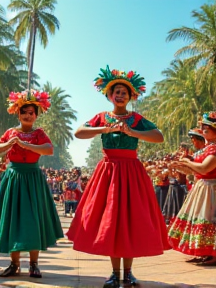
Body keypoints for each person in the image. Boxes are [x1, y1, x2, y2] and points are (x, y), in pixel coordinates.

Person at [66, 65, 171, 287]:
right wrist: (103, 129)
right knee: (112, 221)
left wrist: (132, 132)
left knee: (130, 220)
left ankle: (129, 272)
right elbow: (78, 132)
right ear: (109, 95)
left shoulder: (136, 119)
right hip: (109, 172)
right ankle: (114, 272)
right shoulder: (102, 117)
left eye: (125, 92)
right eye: (117, 92)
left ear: (131, 96)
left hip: (132, 172)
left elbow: (158, 136)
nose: (120, 95)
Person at [0, 89, 63, 278]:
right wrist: (11, 143)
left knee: (33, 219)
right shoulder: (11, 133)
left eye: (32, 113)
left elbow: (48, 150)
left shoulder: (39, 133)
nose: (28, 115)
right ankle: (14, 264)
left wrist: (26, 145)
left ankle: (34, 264)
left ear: (36, 115)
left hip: (33, 177)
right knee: (13, 217)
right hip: (14, 177)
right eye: (24, 112)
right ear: (18, 113)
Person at [168, 112, 216, 266]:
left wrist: (187, 163)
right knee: (199, 219)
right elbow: (196, 171)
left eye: (206, 130)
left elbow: (204, 168)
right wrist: (180, 167)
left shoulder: (215, 150)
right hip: (202, 188)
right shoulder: (206, 149)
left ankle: (212, 253)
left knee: (209, 219)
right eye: (203, 129)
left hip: (212, 189)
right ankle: (203, 251)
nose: (203, 132)